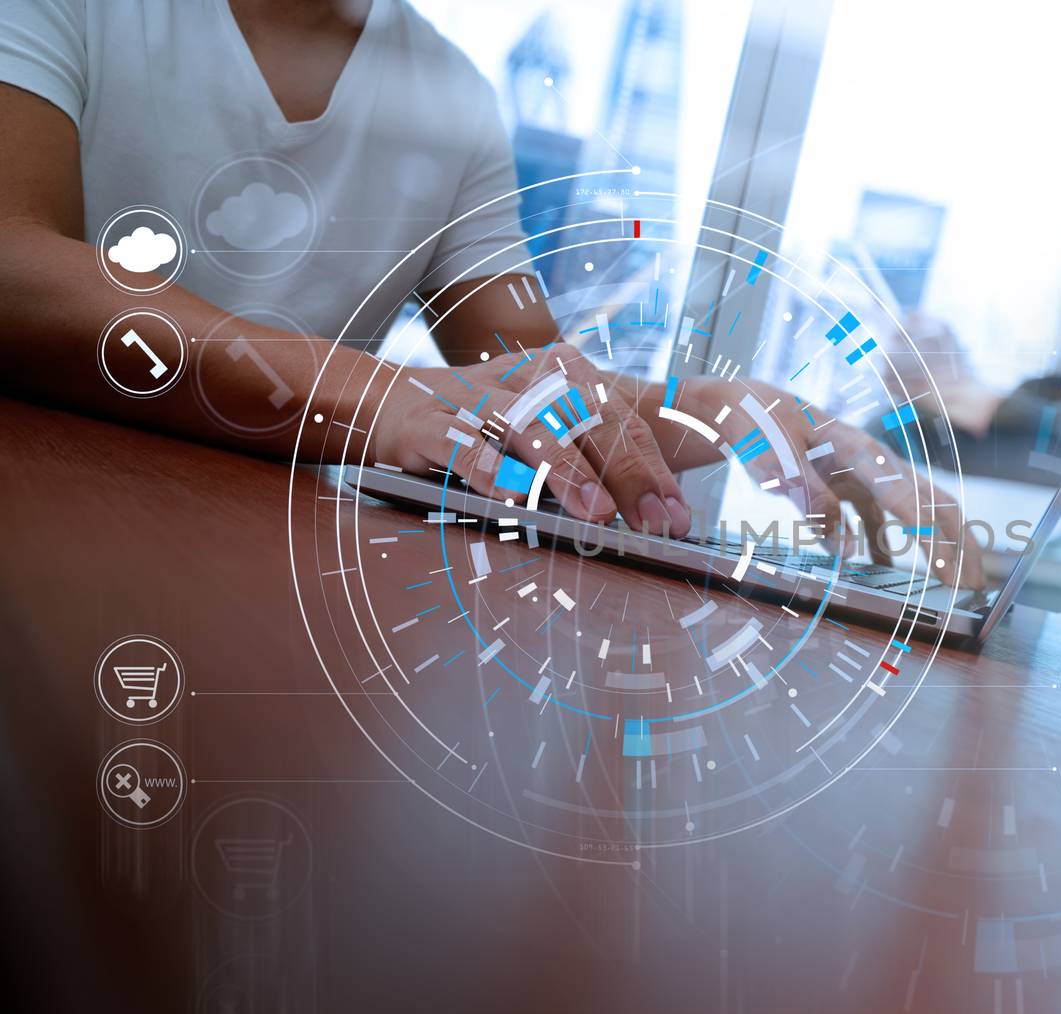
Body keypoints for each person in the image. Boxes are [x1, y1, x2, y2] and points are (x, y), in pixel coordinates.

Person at [0, 0, 983, 588]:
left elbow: (536, 392)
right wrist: (370, 396)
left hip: (255, 574)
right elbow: (13, 261)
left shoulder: (451, 97)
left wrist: (760, 415)